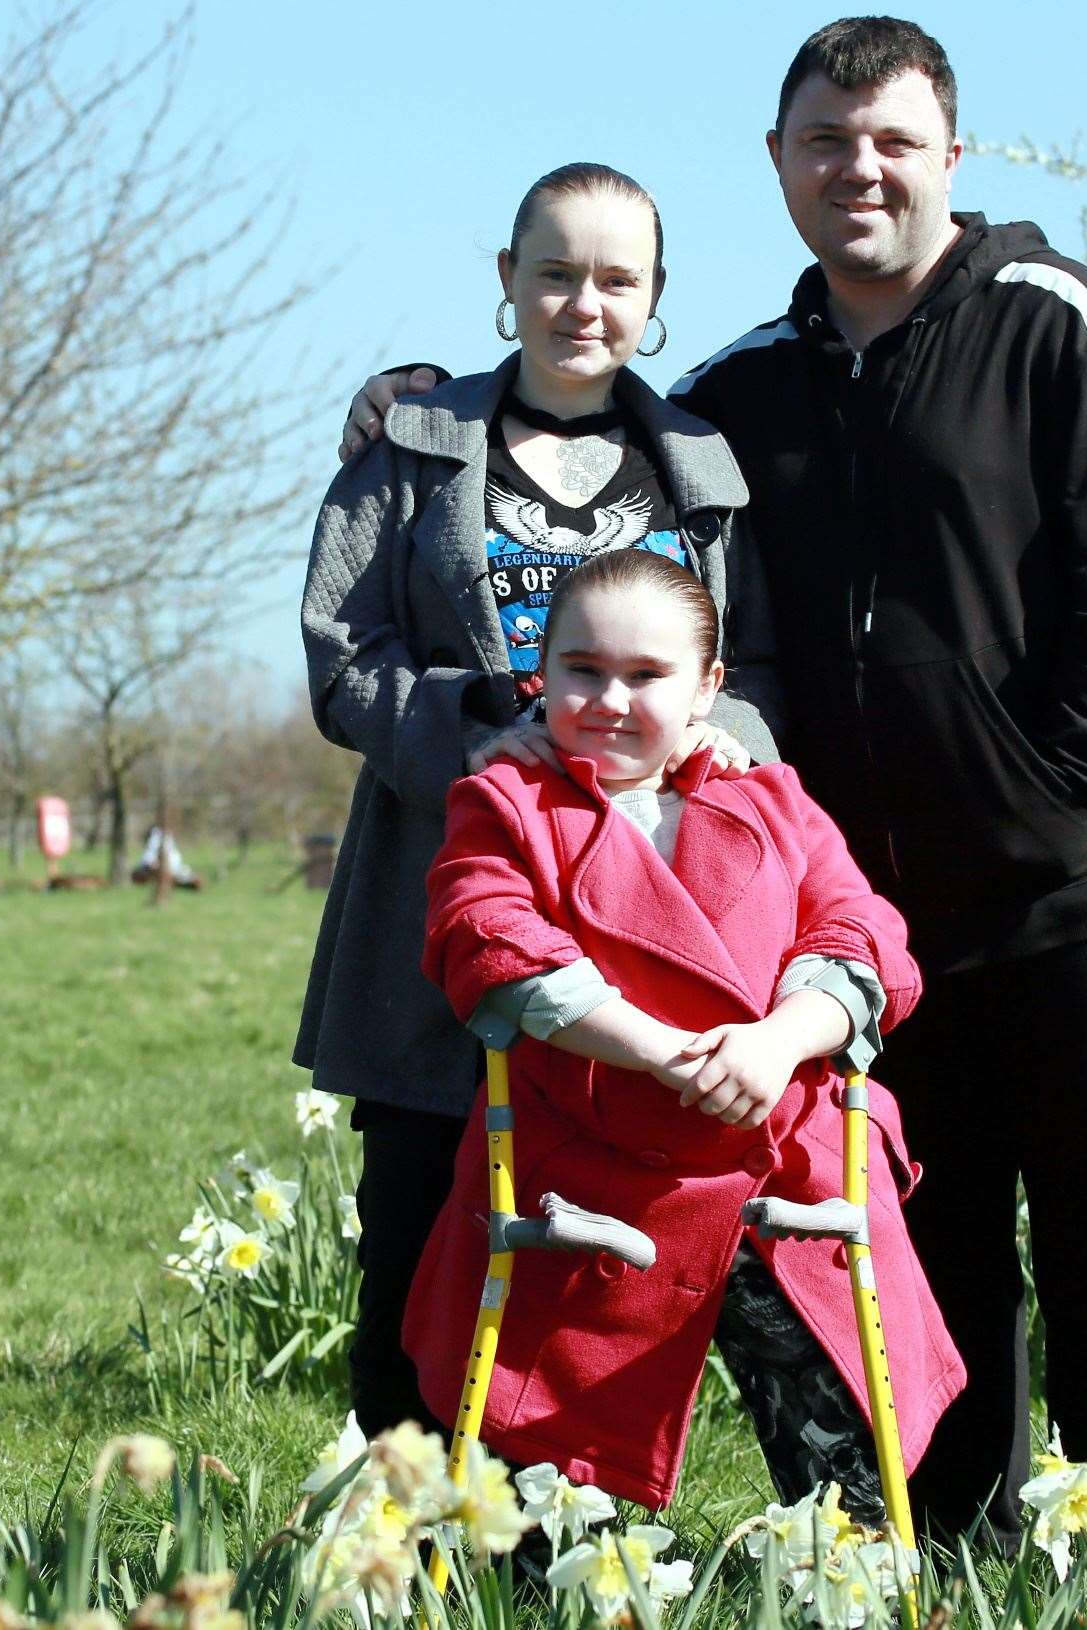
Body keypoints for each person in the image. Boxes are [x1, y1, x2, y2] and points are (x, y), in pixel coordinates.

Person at [337, 17, 1087, 1548]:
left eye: (889, 138)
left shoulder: (1056, 324)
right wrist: (434, 406)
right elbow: (601, 460)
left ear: (951, 152)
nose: (857, 168)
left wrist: (1030, 817)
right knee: (902, 1249)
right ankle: (929, 1549)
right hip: (871, 922)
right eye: (824, 142)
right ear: (777, 165)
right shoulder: (742, 388)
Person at [296, 162, 782, 1447]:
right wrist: (478, 730)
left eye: (617, 279)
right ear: (505, 282)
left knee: (592, 1252)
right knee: (414, 1246)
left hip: (646, 932)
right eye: (555, 271)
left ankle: (557, 1532)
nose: (583, 302)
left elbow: (756, 675)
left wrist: (712, 741)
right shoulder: (411, 449)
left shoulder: (701, 473)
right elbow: (343, 659)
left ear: (656, 297)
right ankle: (406, 1545)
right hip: (441, 910)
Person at [407, 547, 961, 1518]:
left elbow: (865, 933)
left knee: (847, 1470)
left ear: (707, 687)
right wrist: (667, 1053)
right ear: (544, 671)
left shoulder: (772, 798)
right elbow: (486, 939)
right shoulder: (502, 803)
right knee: (556, 1512)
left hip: (782, 1158)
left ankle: (844, 1579)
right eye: (583, 668)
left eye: (646, 674)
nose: (610, 699)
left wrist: (779, 1040)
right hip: (585, 1170)